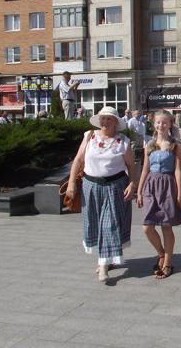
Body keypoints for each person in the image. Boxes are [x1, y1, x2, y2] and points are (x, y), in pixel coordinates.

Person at [65, 106, 136, 283]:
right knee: (95, 223)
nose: (105, 122)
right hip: (90, 186)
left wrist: (133, 184)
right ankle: (108, 258)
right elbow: (78, 160)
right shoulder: (89, 136)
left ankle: (103, 265)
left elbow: (131, 167)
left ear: (115, 123)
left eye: (109, 119)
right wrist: (72, 183)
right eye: (103, 119)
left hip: (115, 187)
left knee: (109, 225)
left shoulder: (123, 141)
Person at [136, 110, 181, 280]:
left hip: (167, 186)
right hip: (150, 185)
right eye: (158, 122)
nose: (161, 125)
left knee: (166, 226)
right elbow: (144, 169)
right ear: (154, 124)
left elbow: (178, 170)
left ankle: (168, 262)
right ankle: (161, 253)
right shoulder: (149, 144)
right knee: (147, 226)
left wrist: (180, 193)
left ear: (170, 124)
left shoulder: (175, 145)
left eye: (165, 122)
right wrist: (140, 191)